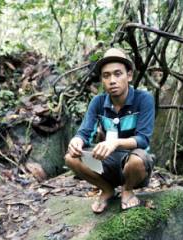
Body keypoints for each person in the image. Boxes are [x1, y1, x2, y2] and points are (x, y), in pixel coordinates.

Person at [65, 48, 155, 213]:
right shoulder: (98, 102)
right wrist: (76, 141)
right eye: (106, 76)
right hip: (106, 164)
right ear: (102, 80)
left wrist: (115, 143)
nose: (112, 80)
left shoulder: (144, 99)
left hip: (134, 165)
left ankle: (127, 189)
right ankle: (107, 189)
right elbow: (84, 133)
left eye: (118, 74)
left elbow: (143, 139)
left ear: (129, 76)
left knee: (136, 161)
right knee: (71, 158)